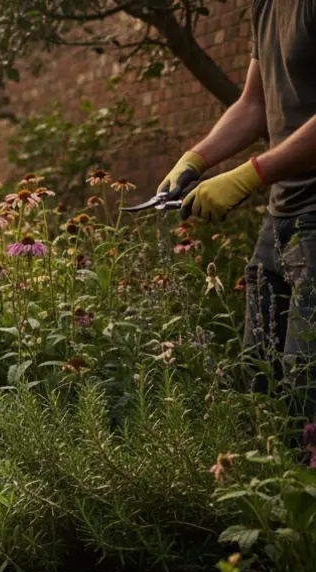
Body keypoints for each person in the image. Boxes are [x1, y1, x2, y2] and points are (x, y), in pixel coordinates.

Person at [163, 0, 316, 417]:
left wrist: (250, 174)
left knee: (307, 385)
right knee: (259, 378)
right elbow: (254, 102)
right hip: (281, 217)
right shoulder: (266, 5)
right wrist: (195, 159)